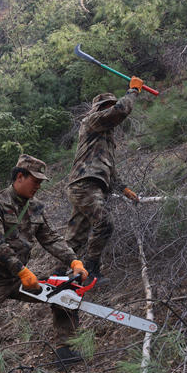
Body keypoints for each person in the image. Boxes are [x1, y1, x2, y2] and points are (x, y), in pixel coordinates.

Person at [0, 155, 89, 370]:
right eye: (35, 181)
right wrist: (22, 271)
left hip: (20, 278)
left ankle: (67, 350)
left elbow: (50, 238)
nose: (38, 186)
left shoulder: (35, 207)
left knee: (65, 296)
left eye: (40, 182)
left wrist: (73, 260)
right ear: (20, 176)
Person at [65, 77, 143, 283]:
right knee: (105, 224)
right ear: (99, 109)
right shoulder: (92, 121)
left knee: (76, 237)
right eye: (106, 107)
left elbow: (109, 169)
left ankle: (58, 274)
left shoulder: (105, 137)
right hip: (85, 184)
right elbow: (120, 111)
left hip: (87, 185)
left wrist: (124, 188)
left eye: (111, 106)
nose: (109, 111)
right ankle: (91, 271)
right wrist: (133, 91)